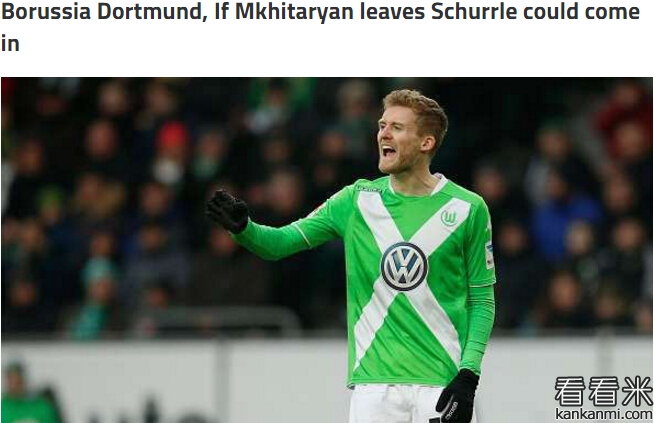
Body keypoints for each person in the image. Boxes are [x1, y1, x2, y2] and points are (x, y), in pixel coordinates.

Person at [206, 89, 496, 423]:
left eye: (397, 127)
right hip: (374, 389)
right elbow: (280, 243)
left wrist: (469, 375)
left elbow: (482, 300)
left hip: (442, 384)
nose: (384, 134)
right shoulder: (356, 200)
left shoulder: (468, 208)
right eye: (382, 125)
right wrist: (244, 229)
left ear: (426, 142)